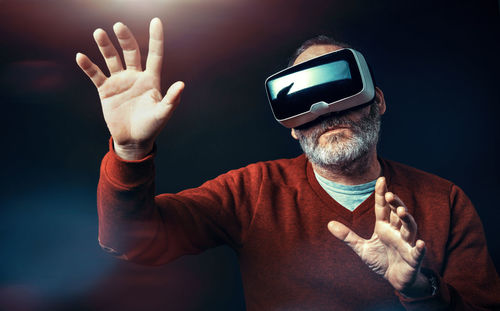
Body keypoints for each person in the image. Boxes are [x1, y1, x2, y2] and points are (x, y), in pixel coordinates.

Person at [76, 18, 500, 310]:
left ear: (378, 101)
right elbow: (128, 241)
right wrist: (129, 151)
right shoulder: (253, 190)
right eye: (305, 103)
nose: (326, 110)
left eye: (340, 90)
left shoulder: (444, 200)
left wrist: (422, 290)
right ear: (293, 128)